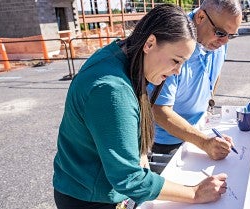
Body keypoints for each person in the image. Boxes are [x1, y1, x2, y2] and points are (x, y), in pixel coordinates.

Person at [53, 4, 228, 209]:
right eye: (175, 60)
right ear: (150, 43)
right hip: (89, 198)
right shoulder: (112, 91)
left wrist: (140, 152)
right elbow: (129, 179)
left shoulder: (123, 53)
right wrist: (195, 192)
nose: (177, 71)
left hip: (89, 184)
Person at [147, 0, 242, 169]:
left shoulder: (216, 40)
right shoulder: (175, 39)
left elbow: (215, 73)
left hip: (200, 130)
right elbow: (159, 110)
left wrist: (208, 106)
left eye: (231, 35)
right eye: (220, 33)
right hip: (168, 141)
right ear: (200, 16)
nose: (225, 41)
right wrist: (204, 142)